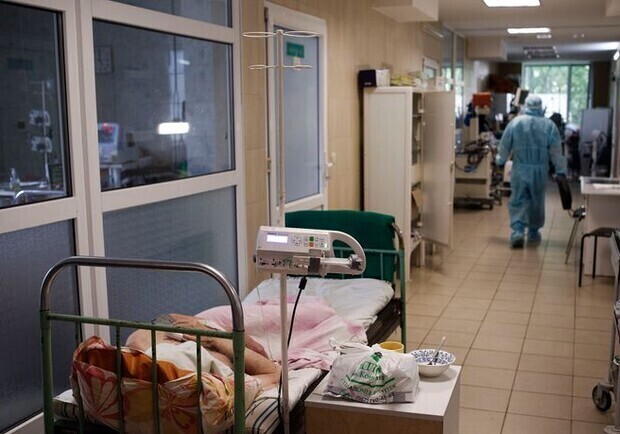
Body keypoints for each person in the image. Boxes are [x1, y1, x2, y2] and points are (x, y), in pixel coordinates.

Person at [126, 313, 282, 389]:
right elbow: (274, 371)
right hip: (157, 349)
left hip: (152, 359)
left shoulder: (223, 356)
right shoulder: (217, 336)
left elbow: (272, 370)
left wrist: (214, 339)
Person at [496, 94, 567, 248]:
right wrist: (560, 170)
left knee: (519, 199)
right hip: (540, 171)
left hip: (520, 169)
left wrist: (500, 161)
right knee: (537, 201)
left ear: (526, 106)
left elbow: (505, 144)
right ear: (541, 107)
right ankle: (533, 232)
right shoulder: (549, 126)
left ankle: (518, 231)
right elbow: (556, 151)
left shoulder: (516, 123)